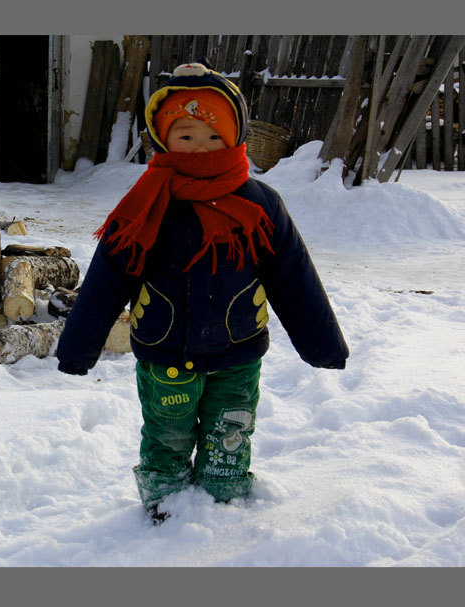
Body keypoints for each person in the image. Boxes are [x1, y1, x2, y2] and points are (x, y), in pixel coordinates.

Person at [56, 61, 349, 525]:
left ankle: (226, 500)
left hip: (238, 352)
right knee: (166, 435)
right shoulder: (147, 201)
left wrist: (323, 345)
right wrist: (78, 347)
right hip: (163, 351)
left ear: (234, 138)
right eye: (186, 135)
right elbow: (109, 275)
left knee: (230, 431)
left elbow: (293, 275)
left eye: (213, 136)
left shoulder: (259, 203)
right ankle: (163, 500)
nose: (200, 147)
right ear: (163, 138)